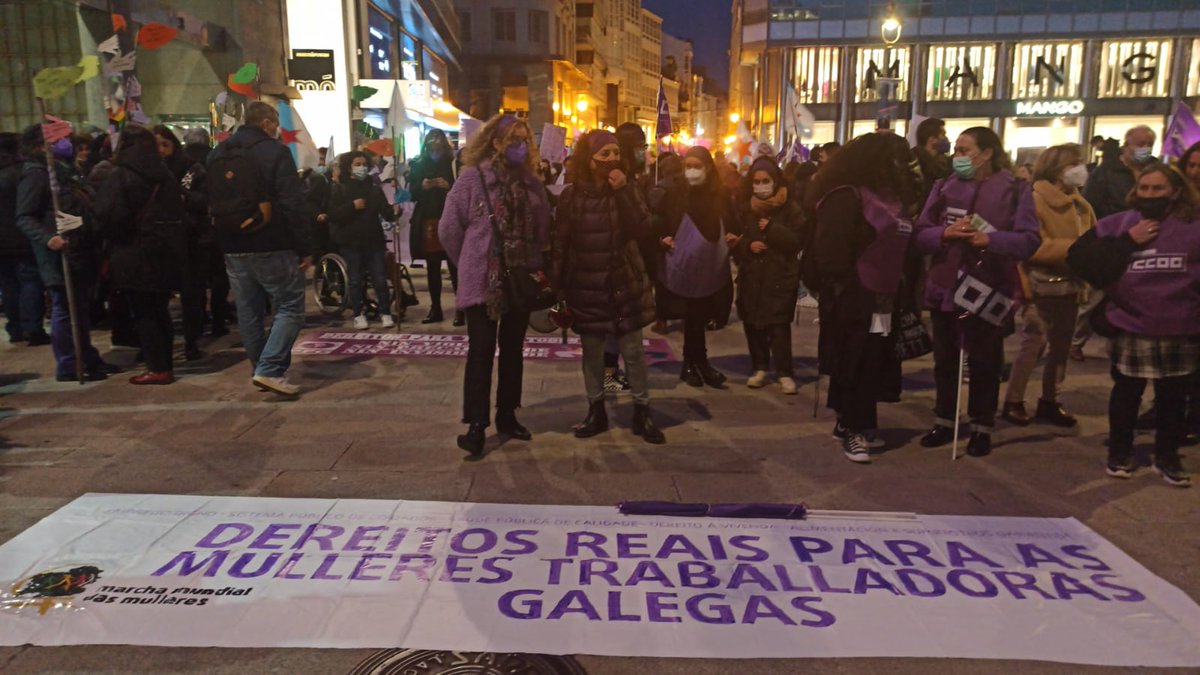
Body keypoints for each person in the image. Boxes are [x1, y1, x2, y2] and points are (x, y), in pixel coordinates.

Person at [1067, 163, 1199, 487]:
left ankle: (1167, 455)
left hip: (1179, 326)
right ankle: (1120, 451)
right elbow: (1079, 258)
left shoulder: (1193, 226)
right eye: (1145, 188)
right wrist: (1127, 241)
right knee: (1127, 394)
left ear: (1176, 192)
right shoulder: (1119, 223)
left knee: (1172, 398)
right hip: (1132, 324)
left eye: (1158, 189)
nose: (1150, 195)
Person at [915, 127, 1040, 457]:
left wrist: (992, 240)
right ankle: (944, 420)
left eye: (964, 150)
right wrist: (945, 233)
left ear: (986, 154)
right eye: (955, 150)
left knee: (985, 361)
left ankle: (982, 425)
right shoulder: (944, 187)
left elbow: (1029, 240)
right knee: (945, 361)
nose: (957, 156)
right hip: (945, 285)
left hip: (989, 288)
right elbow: (921, 234)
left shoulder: (1015, 189)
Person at [439, 114, 550, 456]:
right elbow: (449, 228)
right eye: (513, 140)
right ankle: (476, 425)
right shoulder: (472, 179)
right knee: (481, 351)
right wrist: (471, 262)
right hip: (483, 281)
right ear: (495, 142)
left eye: (525, 141)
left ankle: (507, 415)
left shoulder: (532, 182)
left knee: (513, 350)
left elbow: (544, 227)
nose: (520, 147)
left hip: (518, 279)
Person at [810, 133, 920, 462]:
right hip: (856, 297)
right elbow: (829, 250)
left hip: (884, 298)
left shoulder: (891, 198)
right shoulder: (846, 197)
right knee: (855, 358)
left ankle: (852, 421)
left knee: (871, 358)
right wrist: (843, 291)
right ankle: (854, 427)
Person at [552, 130, 664, 444]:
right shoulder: (571, 197)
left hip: (623, 283)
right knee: (592, 353)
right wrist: (557, 288)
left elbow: (644, 229)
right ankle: (596, 408)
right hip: (587, 285)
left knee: (633, 351)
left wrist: (625, 192)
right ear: (589, 161)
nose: (612, 160)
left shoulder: (628, 189)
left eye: (616, 153)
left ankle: (643, 410)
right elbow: (561, 243)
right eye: (605, 155)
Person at [207, 101, 313, 397]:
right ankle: (269, 369)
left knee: (249, 311)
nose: (277, 127)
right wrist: (304, 246)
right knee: (291, 306)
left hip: (232, 242)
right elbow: (292, 203)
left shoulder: (218, 153)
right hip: (271, 241)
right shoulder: (275, 152)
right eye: (275, 122)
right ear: (266, 123)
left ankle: (261, 369)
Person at [1001, 144, 1095, 427]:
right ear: (1057, 168)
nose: (1081, 168)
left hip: (1071, 284)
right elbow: (1031, 245)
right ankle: (1013, 400)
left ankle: (1050, 401)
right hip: (1038, 284)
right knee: (1034, 343)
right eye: (1074, 163)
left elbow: (1094, 238)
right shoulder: (1034, 198)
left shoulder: (1080, 203)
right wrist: (1078, 250)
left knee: (1061, 348)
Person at [15, 124, 110, 382]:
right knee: (65, 310)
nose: (66, 144)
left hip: (79, 249)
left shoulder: (63, 171)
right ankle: (69, 364)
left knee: (79, 310)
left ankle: (87, 356)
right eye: (59, 139)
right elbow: (24, 216)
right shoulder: (37, 174)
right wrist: (49, 239)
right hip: (60, 254)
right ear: (40, 146)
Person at [94, 125, 187, 385]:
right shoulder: (164, 174)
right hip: (163, 252)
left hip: (133, 252)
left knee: (144, 313)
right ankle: (164, 364)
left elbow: (109, 216)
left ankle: (158, 368)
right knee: (160, 311)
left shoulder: (121, 175)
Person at [653, 146, 736, 388]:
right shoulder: (675, 193)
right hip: (683, 264)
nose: (692, 171)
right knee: (690, 315)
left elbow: (732, 222)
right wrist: (663, 239)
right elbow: (660, 220)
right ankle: (692, 362)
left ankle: (700, 362)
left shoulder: (719, 194)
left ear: (708, 168)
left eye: (697, 166)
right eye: (688, 166)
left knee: (701, 315)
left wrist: (733, 236)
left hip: (710, 265)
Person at [1073, 128, 1157, 362]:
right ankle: (1075, 341)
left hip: (1148, 240)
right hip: (1113, 240)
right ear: (1126, 144)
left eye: (1149, 143)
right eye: (1140, 142)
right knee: (1095, 296)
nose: (1145, 147)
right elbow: (1090, 204)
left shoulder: (1155, 169)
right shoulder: (1106, 171)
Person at [733, 156, 803, 394]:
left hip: (779, 276)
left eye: (766, 180)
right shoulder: (745, 209)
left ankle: (785, 372)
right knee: (753, 324)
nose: (761, 185)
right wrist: (747, 246)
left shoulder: (790, 208)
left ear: (775, 181)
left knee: (779, 326)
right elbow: (734, 240)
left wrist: (773, 229)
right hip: (752, 276)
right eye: (757, 181)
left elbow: (797, 240)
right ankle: (759, 367)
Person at [152, 125, 209, 361]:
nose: (162, 151)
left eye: (165, 145)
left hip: (188, 240)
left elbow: (203, 199)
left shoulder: (191, 169)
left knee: (191, 294)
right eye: (156, 146)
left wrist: (182, 195)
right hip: (156, 241)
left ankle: (191, 341)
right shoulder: (146, 171)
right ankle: (157, 344)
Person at [328, 151, 395, 330]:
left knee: (380, 279)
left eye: (364, 164)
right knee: (355, 280)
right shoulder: (340, 189)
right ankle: (358, 314)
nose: (362, 167)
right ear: (349, 167)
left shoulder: (374, 189)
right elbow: (333, 214)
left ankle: (386, 312)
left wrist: (395, 211)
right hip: (351, 242)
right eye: (357, 164)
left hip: (373, 240)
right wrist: (352, 207)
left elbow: (386, 212)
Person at [0, 131, 49, 345]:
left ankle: (15, 328)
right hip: (23, 236)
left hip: (2, 241)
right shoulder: (24, 171)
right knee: (30, 280)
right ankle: (32, 329)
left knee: (9, 283)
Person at [408, 129, 461, 325]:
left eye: (439, 138)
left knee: (455, 266)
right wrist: (422, 186)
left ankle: (460, 308)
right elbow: (411, 192)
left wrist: (449, 186)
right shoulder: (419, 165)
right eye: (432, 138)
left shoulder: (453, 164)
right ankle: (435, 307)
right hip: (428, 220)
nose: (435, 141)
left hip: (450, 218)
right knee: (432, 267)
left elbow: (462, 188)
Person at [915, 117, 952, 203]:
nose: (945, 138)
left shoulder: (945, 162)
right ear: (932, 140)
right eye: (943, 135)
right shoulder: (913, 161)